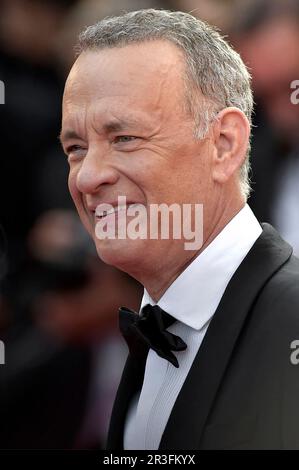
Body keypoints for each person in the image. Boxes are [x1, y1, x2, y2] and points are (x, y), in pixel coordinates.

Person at [60, 9, 299, 450]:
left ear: (224, 144)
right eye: (75, 148)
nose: (87, 177)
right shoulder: (151, 325)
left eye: (125, 138)